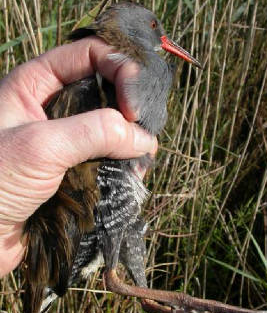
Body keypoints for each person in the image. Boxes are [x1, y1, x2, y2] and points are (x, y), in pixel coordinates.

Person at [0, 36, 157, 278]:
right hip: (64, 237)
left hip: (18, 242)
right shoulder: (94, 96)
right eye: (154, 29)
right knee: (115, 260)